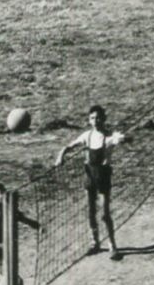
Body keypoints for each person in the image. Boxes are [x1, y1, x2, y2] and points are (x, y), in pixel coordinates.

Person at [53, 105, 127, 260]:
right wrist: (61, 156)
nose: (96, 121)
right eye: (92, 118)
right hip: (90, 177)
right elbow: (69, 146)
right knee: (91, 212)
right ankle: (95, 243)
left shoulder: (109, 137)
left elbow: (124, 139)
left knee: (105, 214)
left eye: (99, 117)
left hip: (103, 177)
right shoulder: (87, 136)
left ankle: (112, 246)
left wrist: (124, 138)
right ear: (89, 120)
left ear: (104, 119)